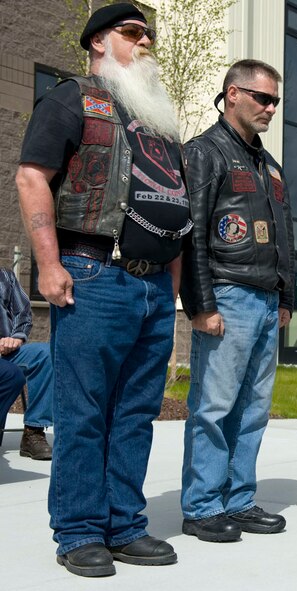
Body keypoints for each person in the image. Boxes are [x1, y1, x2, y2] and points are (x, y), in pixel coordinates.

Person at [16, 3, 186, 576]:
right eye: (131, 33)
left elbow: (175, 206)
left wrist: (174, 286)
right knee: (84, 409)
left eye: (148, 35)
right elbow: (32, 174)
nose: (145, 43)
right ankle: (79, 530)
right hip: (93, 273)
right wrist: (47, 263)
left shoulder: (159, 120)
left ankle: (123, 524)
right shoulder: (73, 98)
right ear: (97, 42)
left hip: (153, 288)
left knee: (136, 411)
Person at [180, 59, 296, 543]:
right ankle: (202, 505)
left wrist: (286, 296)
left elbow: (285, 236)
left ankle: (239, 499)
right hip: (227, 295)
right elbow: (193, 237)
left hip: (266, 301)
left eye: (274, 100)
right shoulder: (203, 153)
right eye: (261, 98)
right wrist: (202, 305)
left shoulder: (269, 166)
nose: (270, 108)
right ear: (232, 94)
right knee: (214, 405)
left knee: (253, 407)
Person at [0, 267, 54, 460]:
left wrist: (16, 338)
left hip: (8, 351)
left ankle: (34, 432)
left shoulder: (5, 276)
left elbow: (23, 312)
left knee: (47, 354)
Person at [0, 359, 27, 443]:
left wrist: (19, 344)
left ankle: (34, 431)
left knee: (45, 354)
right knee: (10, 373)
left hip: (11, 353)